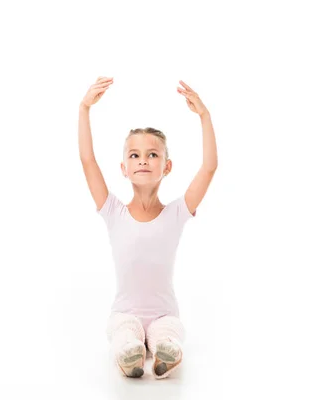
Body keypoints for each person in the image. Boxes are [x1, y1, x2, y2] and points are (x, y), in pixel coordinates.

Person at [78, 76, 218, 379]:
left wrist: (204, 116)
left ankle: (166, 350)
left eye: (153, 154)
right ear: (123, 168)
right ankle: (129, 352)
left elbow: (208, 168)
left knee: (169, 331)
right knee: (122, 332)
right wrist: (84, 109)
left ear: (166, 166)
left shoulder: (178, 213)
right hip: (124, 313)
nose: (143, 160)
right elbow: (88, 160)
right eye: (135, 155)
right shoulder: (113, 211)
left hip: (164, 314)